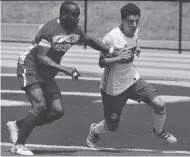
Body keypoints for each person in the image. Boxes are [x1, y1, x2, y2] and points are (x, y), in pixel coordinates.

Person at [6, 1, 128, 156]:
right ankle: (18, 145)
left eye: (79, 15)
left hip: (47, 72)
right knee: (39, 106)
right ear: (63, 15)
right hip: (30, 68)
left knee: (57, 111)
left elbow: (89, 41)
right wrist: (66, 69)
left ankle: (18, 125)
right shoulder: (50, 30)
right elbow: (41, 57)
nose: (78, 18)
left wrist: (112, 51)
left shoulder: (75, 29)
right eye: (75, 15)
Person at [86, 3, 177, 148]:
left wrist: (136, 48)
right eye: (131, 21)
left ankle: (158, 131)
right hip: (113, 88)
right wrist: (118, 58)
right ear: (122, 21)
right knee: (111, 126)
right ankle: (94, 130)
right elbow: (102, 62)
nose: (134, 25)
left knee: (160, 104)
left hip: (133, 80)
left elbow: (132, 42)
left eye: (137, 21)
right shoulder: (111, 38)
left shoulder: (135, 31)